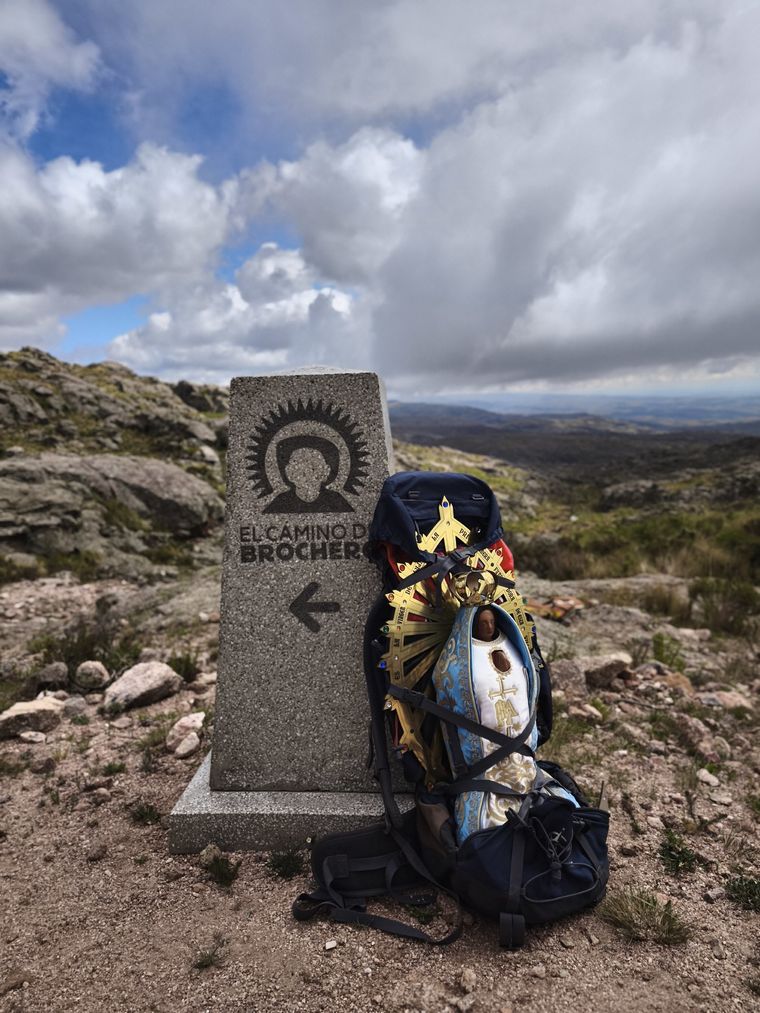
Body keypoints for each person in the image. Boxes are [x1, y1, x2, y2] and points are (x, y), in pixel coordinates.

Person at [263, 434, 353, 513]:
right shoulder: (280, 503)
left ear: (326, 471)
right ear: (288, 472)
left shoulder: (336, 500)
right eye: (298, 466)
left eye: (314, 465)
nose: (306, 473)